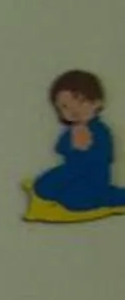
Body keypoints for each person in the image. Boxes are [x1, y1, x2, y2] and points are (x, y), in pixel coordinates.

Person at [25, 69, 125, 222]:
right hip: (71, 171)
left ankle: (113, 196)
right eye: (65, 107)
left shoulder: (100, 130)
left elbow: (106, 157)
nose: (73, 110)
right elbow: (59, 148)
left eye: (80, 102)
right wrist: (72, 145)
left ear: (97, 103)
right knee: (42, 186)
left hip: (93, 179)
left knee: (76, 201)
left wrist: (86, 149)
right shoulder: (73, 130)